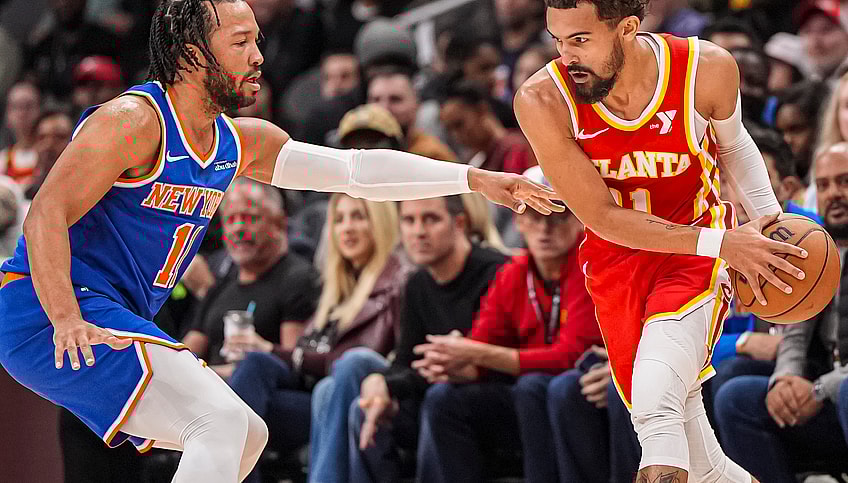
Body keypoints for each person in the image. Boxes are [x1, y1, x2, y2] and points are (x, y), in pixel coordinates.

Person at [0, 1, 558, 482]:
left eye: (258, 41)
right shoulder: (133, 121)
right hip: (46, 307)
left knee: (245, 435)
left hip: (104, 311)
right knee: (216, 422)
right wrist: (66, 316)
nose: (258, 56)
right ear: (194, 53)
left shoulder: (237, 142)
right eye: (241, 42)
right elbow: (44, 213)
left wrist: (470, 179)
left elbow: (354, 172)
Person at [514, 0, 809, 481]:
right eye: (558, 40)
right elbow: (603, 217)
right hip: (617, 268)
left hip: (697, 256)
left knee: (655, 405)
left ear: (627, 29)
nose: (566, 56)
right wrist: (728, 244)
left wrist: (771, 226)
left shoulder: (704, 68)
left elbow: (734, 147)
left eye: (581, 40)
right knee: (703, 467)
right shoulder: (542, 99)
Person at [412, 165, 627, 483]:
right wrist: (453, 362)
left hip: (574, 389)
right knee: (443, 398)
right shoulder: (513, 272)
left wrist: (476, 354)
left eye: (557, 215)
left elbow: (570, 356)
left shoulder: (589, 266)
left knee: (539, 387)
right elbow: (482, 341)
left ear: (580, 219)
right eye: (534, 215)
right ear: (518, 220)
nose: (545, 228)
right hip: (529, 398)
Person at [308, 195, 507, 483]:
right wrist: (382, 383)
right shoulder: (417, 284)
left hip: (486, 396)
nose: (418, 231)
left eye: (431, 219)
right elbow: (406, 361)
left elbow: (504, 356)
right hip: (432, 391)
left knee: (439, 398)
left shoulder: (496, 271)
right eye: (409, 221)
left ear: (459, 223)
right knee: (364, 408)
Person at [229, 193, 412, 483]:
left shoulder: (400, 280)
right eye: (339, 220)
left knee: (338, 377)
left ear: (381, 223)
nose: (347, 228)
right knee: (255, 364)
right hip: (317, 395)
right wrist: (266, 353)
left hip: (367, 392)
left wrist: (276, 349)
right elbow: (308, 358)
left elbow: (369, 359)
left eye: (358, 217)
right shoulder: (333, 288)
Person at [715, 142, 848, 481]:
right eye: (823, 185)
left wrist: (821, 388)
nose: (833, 193)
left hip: (845, 391)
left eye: (846, 181)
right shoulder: (816, 245)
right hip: (829, 399)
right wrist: (786, 380)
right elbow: (796, 330)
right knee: (737, 398)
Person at [181, 178, 320, 377]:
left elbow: (293, 369)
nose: (238, 228)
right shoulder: (221, 284)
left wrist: (205, 378)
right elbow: (186, 352)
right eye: (230, 219)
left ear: (279, 223)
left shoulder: (298, 278)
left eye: (249, 218)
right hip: (208, 391)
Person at [0, 81, 41, 185]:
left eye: (28, 106)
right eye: (16, 106)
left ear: (39, 110)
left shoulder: (48, 155)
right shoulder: (3, 159)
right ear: (8, 114)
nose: (22, 113)